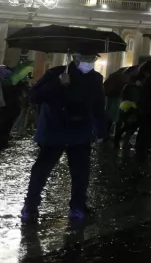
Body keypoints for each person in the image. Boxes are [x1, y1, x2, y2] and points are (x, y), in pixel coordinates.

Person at [21, 53, 106, 223]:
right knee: (41, 171)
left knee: (81, 173)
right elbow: (34, 97)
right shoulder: (55, 73)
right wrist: (58, 83)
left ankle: (78, 205)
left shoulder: (96, 78)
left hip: (80, 132)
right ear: (75, 57)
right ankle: (30, 206)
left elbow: (98, 106)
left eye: (92, 58)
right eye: (86, 57)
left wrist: (102, 130)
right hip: (54, 132)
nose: (89, 62)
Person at [135, 68, 151, 159]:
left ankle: (141, 147)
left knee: (145, 128)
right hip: (149, 109)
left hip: (146, 109)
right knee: (148, 129)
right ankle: (144, 147)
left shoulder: (149, 82)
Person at [114, 77, 141, 149]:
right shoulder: (133, 88)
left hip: (125, 107)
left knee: (127, 125)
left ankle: (118, 138)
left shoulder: (127, 86)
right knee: (130, 126)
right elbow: (135, 98)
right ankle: (124, 142)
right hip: (130, 108)